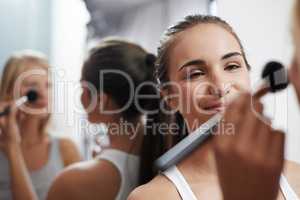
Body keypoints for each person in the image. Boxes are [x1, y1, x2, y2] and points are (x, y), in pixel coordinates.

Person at [128, 15, 300, 200]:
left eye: (232, 66)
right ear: (170, 97)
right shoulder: (152, 197)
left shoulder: (297, 178)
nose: (219, 87)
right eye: (196, 74)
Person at [47, 38, 160, 200]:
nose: (80, 97)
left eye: (83, 88)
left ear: (101, 100)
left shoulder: (72, 182)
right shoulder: (166, 154)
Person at [0, 50, 81, 200]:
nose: (43, 94)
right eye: (32, 85)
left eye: (48, 85)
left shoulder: (66, 149)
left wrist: (13, 147)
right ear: (9, 92)